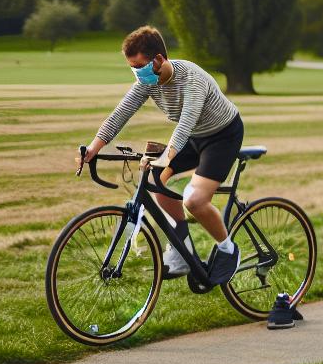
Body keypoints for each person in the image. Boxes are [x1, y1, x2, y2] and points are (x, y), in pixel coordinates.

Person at [80, 26, 244, 286]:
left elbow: (186, 121)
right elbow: (120, 114)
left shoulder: (192, 78)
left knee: (195, 201)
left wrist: (167, 157)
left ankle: (227, 248)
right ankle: (182, 250)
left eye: (139, 66)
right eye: (132, 67)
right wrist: (93, 148)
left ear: (158, 60)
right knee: (157, 183)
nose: (136, 72)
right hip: (193, 137)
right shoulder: (148, 82)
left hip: (222, 135)